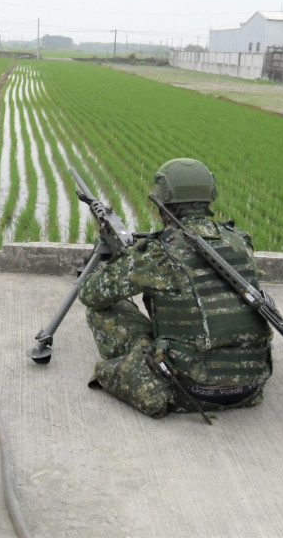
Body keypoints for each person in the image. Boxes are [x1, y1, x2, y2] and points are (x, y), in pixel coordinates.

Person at [78, 158, 272, 418]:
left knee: (104, 310)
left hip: (188, 390)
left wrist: (115, 261)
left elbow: (90, 294)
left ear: (164, 199)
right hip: (250, 388)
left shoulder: (158, 252)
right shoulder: (240, 241)